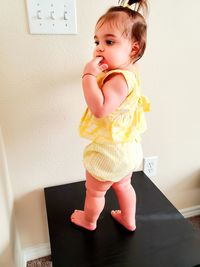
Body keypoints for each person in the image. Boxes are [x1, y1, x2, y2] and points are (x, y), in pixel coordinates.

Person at [71, 0, 150, 231]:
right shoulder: (130, 72)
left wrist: (87, 75)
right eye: (97, 41)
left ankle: (89, 220)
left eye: (109, 41)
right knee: (124, 186)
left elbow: (100, 109)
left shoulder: (117, 79)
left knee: (95, 190)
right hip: (128, 147)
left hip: (111, 151)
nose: (99, 47)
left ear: (133, 49)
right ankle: (129, 219)